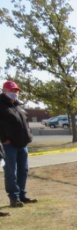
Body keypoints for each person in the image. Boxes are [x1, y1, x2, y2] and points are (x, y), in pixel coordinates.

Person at [0, 80, 37, 208]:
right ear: (4, 91)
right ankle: (14, 198)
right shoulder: (1, 106)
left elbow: (25, 123)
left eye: (16, 91)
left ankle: (22, 195)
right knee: (11, 172)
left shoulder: (18, 106)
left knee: (23, 170)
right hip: (9, 145)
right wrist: (3, 138)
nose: (15, 93)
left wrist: (29, 136)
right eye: (12, 90)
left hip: (22, 144)